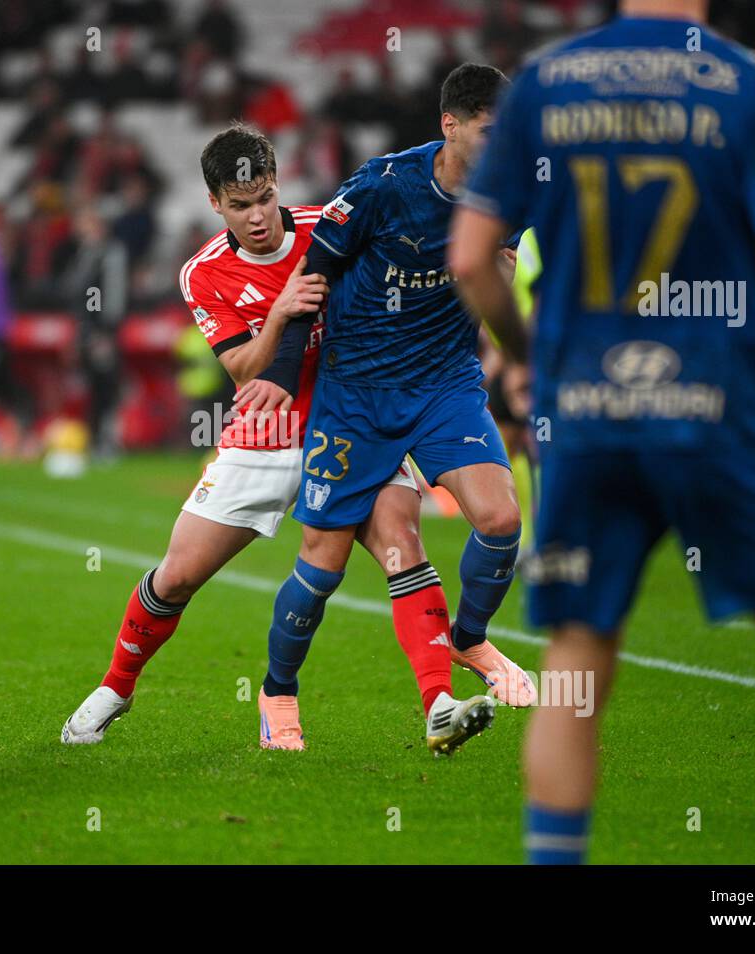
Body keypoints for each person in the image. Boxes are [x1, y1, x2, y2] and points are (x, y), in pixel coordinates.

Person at [452, 0, 755, 863]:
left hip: (588, 413)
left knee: (576, 658)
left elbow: (469, 258)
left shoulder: (544, 85)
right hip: (720, 407)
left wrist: (526, 357)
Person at [62, 123, 511, 753]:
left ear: (279, 188)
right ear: (215, 204)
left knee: (403, 549)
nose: (257, 216)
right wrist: (280, 312)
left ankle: (437, 704)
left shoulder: (329, 226)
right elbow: (245, 371)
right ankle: (116, 687)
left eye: (265, 197)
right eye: (240, 205)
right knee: (178, 577)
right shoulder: (205, 273)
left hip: (352, 423)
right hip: (263, 438)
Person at [244, 65, 538, 755]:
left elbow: (495, 282)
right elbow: (310, 275)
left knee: (500, 519)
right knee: (322, 566)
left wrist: (525, 356)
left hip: (444, 383)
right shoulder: (381, 185)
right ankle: (277, 690)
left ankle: (467, 641)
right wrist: (285, 374)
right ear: (451, 125)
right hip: (356, 394)